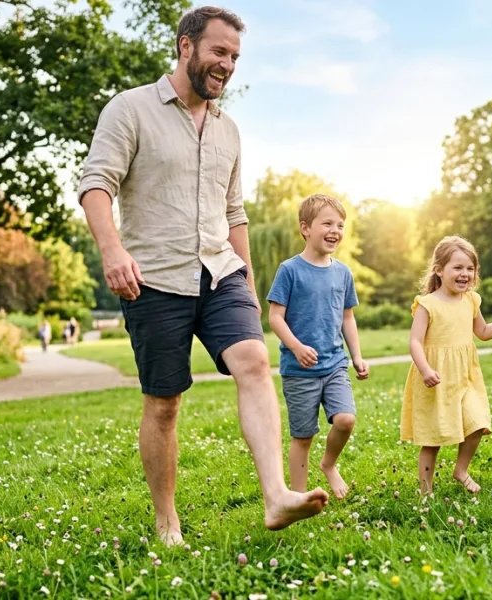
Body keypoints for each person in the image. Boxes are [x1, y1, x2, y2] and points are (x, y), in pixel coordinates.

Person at [76, 5, 328, 545]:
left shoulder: (228, 130)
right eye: (219, 52)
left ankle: (276, 496)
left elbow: (235, 213)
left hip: (221, 272)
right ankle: (167, 520)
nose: (227, 65)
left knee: (256, 362)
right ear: (186, 46)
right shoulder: (129, 109)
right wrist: (112, 249)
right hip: (154, 277)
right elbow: (97, 184)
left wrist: (252, 286)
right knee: (164, 403)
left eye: (234, 57)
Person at [267, 193, 370, 500]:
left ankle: (329, 464)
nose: (335, 230)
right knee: (303, 435)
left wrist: (357, 356)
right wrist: (297, 347)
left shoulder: (343, 273)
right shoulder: (290, 270)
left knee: (346, 419)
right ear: (305, 228)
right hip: (299, 371)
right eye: (327, 223)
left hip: (334, 364)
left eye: (340, 224)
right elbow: (275, 318)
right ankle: (298, 498)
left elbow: (347, 317)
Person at [402, 236, 492, 495]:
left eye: (469, 268)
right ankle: (425, 491)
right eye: (458, 267)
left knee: (476, 423)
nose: (465, 274)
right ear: (439, 270)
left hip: (465, 377)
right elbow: (415, 342)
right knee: (433, 438)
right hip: (436, 378)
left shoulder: (471, 300)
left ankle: (460, 470)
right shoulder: (427, 304)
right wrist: (426, 370)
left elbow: (484, 332)